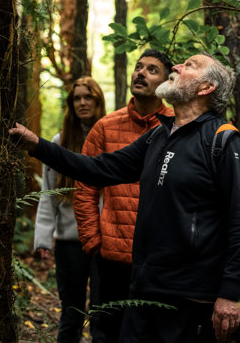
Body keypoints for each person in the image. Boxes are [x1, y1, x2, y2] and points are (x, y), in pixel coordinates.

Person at [10, 53, 240, 342]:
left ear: (206, 89)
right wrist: (38, 145)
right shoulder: (158, 136)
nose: (177, 67)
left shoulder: (222, 141)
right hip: (144, 290)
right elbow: (99, 168)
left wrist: (230, 293)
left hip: (191, 298)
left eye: (189, 65)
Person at [73, 49, 173, 342]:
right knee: (107, 334)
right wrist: (93, 240)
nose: (140, 73)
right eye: (138, 67)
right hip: (112, 256)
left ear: (167, 84)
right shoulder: (105, 127)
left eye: (152, 70)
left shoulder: (179, 127)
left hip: (159, 260)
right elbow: (85, 186)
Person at [33, 76, 106, 343]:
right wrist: (43, 239)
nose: (83, 103)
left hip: (105, 242)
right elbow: (48, 196)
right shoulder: (59, 141)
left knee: (103, 314)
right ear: (70, 104)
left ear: (99, 101)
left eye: (89, 97)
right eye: (77, 98)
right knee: (71, 314)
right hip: (69, 243)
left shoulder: (111, 137)